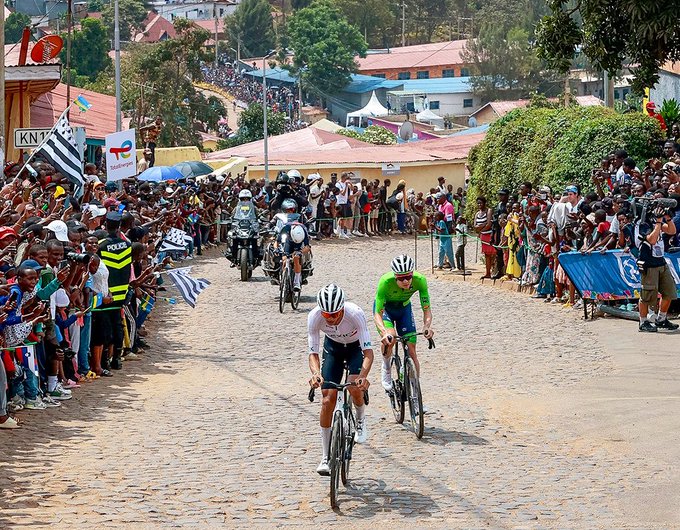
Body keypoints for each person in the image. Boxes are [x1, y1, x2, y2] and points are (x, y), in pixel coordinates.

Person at [308, 284, 373, 475]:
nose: (333, 318)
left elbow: (368, 352)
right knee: (327, 399)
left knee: (354, 387)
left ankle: (360, 418)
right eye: (328, 316)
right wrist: (316, 374)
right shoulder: (314, 316)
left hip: (355, 349)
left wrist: (363, 377)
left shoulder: (355, 314)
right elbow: (313, 352)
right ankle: (325, 456)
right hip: (333, 348)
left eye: (336, 313)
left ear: (343, 308)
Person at [373, 255, 433, 397]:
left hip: (404, 309)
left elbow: (427, 309)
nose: (406, 281)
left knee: (412, 351)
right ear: (395, 277)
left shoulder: (420, 280)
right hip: (386, 310)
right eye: (401, 278)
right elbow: (377, 314)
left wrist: (426, 327)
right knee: (391, 337)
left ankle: (415, 394)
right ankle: (386, 366)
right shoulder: (385, 282)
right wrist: (384, 332)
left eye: (408, 277)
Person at [637, 208, 679, 332]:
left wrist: (668, 218)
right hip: (649, 263)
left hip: (661, 261)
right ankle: (643, 321)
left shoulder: (657, 222)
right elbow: (652, 240)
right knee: (647, 294)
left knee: (669, 292)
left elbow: (672, 231)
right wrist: (659, 222)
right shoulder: (643, 224)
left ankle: (661, 319)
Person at [280, 222, 310, 291]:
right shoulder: (286, 228)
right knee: (284, 259)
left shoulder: (304, 231)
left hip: (299, 246)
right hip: (288, 243)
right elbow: (277, 241)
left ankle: (297, 282)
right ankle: (283, 277)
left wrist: (300, 252)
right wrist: (276, 248)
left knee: (296, 258)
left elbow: (307, 247)